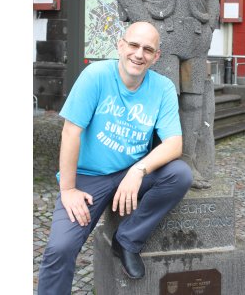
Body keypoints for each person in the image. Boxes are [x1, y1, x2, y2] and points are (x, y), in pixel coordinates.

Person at [37, 22, 192, 294]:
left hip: (129, 171)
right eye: (133, 45)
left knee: (179, 174)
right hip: (88, 177)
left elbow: (174, 143)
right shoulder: (95, 75)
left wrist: (138, 171)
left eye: (147, 49)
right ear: (120, 46)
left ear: (156, 57)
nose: (138, 54)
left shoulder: (163, 87)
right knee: (60, 249)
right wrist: (68, 189)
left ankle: (128, 240)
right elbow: (71, 132)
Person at [112, 0, 219, 189]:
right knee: (164, 100)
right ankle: (159, 165)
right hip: (162, 43)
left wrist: (210, 23)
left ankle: (187, 164)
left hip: (196, 40)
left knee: (194, 105)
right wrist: (148, 29)